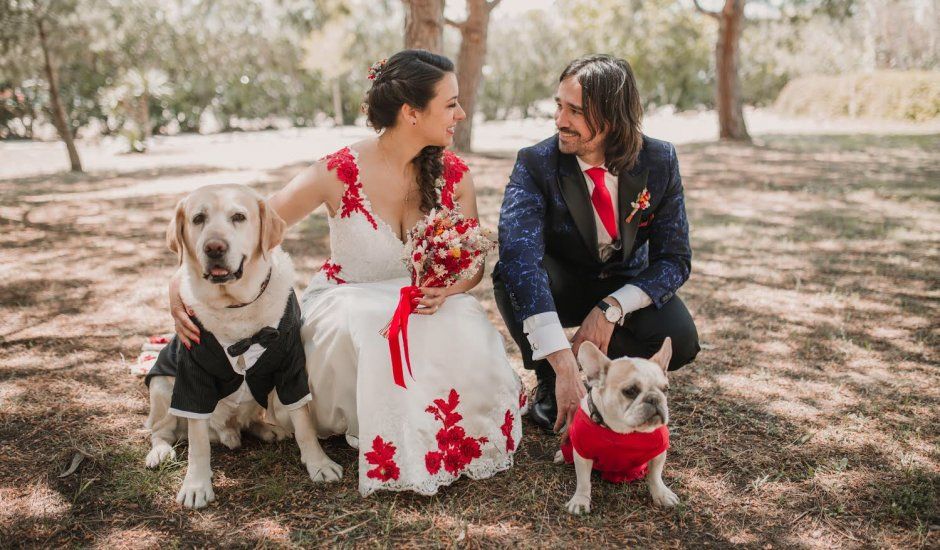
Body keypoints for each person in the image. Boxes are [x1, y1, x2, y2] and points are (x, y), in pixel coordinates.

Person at [168, 50, 524, 496]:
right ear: (412, 113)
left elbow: (473, 263)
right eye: (451, 103)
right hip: (346, 305)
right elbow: (258, 222)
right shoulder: (337, 171)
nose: (462, 112)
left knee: (459, 321)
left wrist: (449, 289)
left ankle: (436, 432)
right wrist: (179, 279)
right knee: (370, 321)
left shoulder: (456, 175)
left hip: (425, 306)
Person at [493, 54, 700, 434]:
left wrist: (612, 309)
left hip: (623, 284)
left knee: (681, 340)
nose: (560, 120)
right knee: (510, 275)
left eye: (575, 111)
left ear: (613, 117)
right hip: (561, 283)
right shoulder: (536, 163)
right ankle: (549, 376)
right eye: (559, 105)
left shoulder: (659, 160)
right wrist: (562, 363)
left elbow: (675, 259)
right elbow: (518, 258)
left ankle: (608, 376)